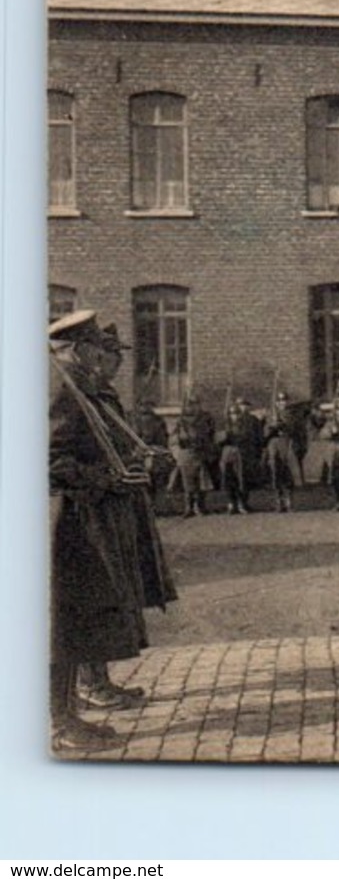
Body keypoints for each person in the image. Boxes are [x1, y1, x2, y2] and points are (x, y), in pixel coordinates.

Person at [49, 311, 176, 752]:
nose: (100, 358)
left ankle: (66, 716)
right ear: (77, 350)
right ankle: (59, 724)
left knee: (71, 622)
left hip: (74, 519)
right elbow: (50, 463)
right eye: (92, 348)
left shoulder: (76, 392)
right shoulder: (60, 394)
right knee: (59, 626)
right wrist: (108, 479)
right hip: (62, 522)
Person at [169, 393, 217, 517]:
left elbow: (211, 436)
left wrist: (210, 450)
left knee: (202, 482)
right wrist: (177, 452)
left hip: (201, 453)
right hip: (186, 453)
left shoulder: (206, 419)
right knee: (187, 482)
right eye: (189, 404)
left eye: (195, 404)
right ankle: (188, 507)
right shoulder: (181, 421)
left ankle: (200, 506)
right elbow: (173, 438)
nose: (192, 407)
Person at [263, 391, 309, 512]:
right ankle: (278, 501)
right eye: (279, 401)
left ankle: (289, 501)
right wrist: (271, 426)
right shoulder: (270, 415)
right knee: (275, 472)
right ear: (276, 403)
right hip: (274, 445)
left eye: (284, 401)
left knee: (288, 473)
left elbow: (298, 431)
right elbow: (264, 434)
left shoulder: (293, 415)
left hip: (288, 444)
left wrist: (283, 425)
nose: (282, 403)